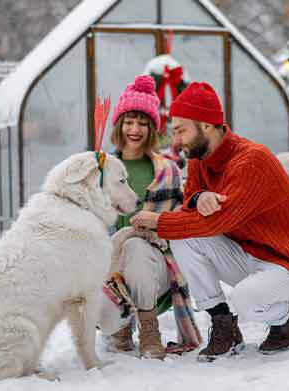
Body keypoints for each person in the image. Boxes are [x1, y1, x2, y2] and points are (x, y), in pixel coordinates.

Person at [130, 81, 289, 362]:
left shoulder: (252, 160)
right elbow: (190, 203)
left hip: (288, 264)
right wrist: (198, 198)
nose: (176, 141)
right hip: (246, 255)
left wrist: (158, 221)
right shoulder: (199, 157)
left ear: (206, 125)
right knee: (183, 235)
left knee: (245, 300)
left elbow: (215, 223)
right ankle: (223, 326)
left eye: (181, 130)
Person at [104, 75, 184, 359]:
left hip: (154, 269)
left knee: (135, 246)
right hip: (108, 270)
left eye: (142, 123)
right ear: (119, 125)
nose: (134, 129)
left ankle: (149, 332)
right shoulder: (102, 169)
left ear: (152, 128)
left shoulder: (167, 171)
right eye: (128, 122)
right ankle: (118, 324)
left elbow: (179, 225)